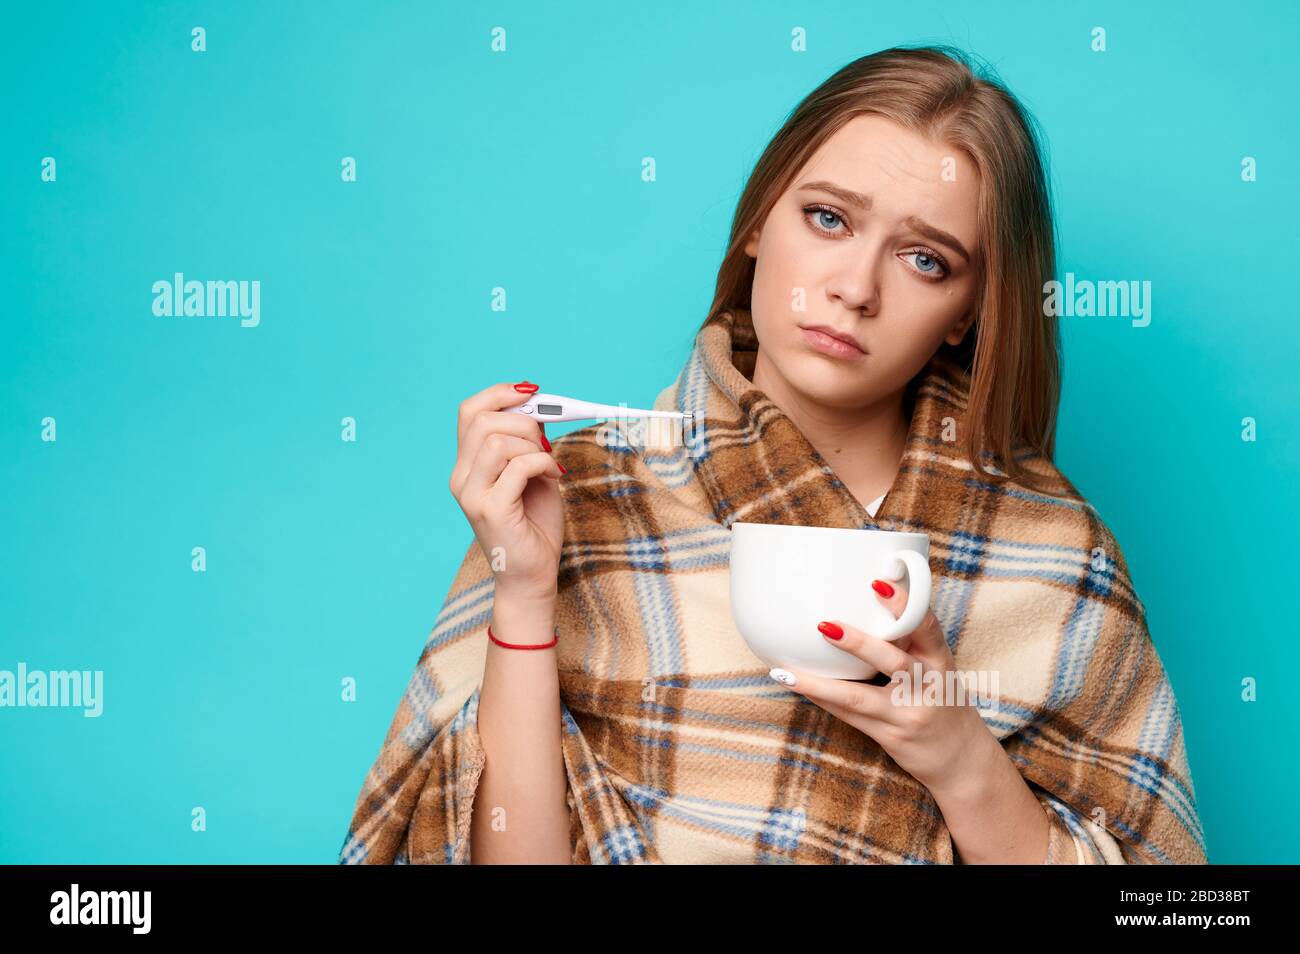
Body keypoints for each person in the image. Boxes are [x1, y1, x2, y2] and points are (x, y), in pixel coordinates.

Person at [339, 45, 1206, 865]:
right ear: (759, 221)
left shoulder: (1054, 552)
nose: (855, 288)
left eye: (925, 260)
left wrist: (960, 758)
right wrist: (524, 594)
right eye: (828, 218)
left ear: (970, 312)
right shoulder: (582, 495)